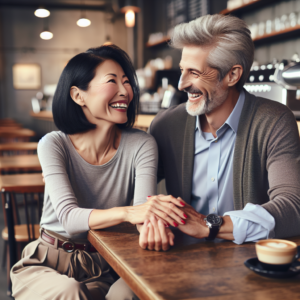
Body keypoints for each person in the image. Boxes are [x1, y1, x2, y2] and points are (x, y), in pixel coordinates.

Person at [10, 45, 186, 300]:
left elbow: (143, 217)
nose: (125, 91)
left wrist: (155, 226)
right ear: (78, 95)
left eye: (126, 82)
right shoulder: (53, 144)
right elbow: (70, 220)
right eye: (112, 81)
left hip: (109, 261)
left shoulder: (142, 144)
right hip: (48, 261)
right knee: (70, 291)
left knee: (128, 294)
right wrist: (129, 212)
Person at [148, 14, 300, 245]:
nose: (181, 84)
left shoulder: (274, 121)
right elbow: (133, 194)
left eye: (195, 73)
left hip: (247, 265)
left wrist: (207, 225)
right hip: (179, 262)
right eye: (182, 70)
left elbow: (293, 206)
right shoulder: (166, 126)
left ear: (232, 75)